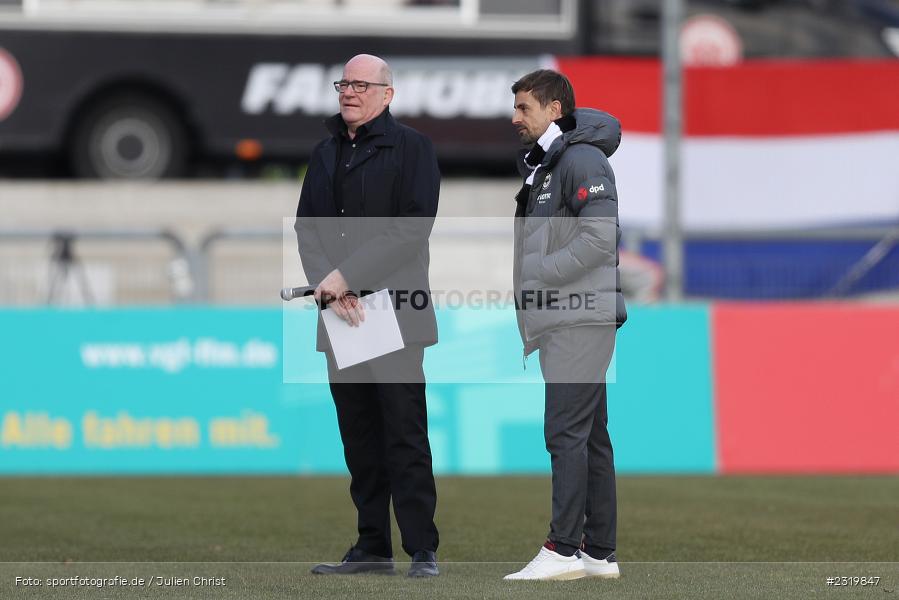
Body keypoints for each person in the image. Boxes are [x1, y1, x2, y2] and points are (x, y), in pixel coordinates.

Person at [293, 54, 440, 578]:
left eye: (361, 84)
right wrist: (333, 290)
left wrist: (347, 277)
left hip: (394, 313)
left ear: (387, 94)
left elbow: (411, 228)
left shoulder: (414, 149)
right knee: (358, 436)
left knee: (404, 432)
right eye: (343, 83)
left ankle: (423, 548)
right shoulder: (325, 151)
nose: (349, 92)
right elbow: (307, 229)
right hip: (341, 314)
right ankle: (372, 547)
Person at [504, 69, 627, 581]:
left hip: (579, 316)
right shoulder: (551, 164)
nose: (515, 118)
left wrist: (537, 275)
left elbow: (600, 241)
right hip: (569, 315)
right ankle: (599, 555)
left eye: (524, 108)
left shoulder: (581, 158)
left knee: (566, 433)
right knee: (590, 435)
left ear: (555, 109)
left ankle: (562, 549)